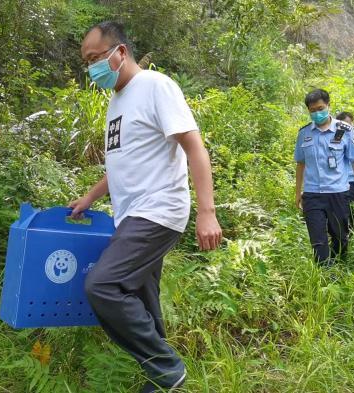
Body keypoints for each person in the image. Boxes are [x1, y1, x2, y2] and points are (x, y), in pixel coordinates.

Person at [69, 21, 222, 392]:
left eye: (95, 58)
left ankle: (168, 369)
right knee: (139, 293)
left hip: (158, 211)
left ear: (119, 52)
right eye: (86, 62)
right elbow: (123, 163)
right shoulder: (117, 101)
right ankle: (163, 380)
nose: (91, 68)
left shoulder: (156, 86)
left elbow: (194, 146)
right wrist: (90, 197)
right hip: (132, 214)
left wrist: (207, 211)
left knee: (102, 285)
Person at [294, 90, 354, 266]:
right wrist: (298, 192)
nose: (317, 113)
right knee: (318, 241)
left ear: (328, 106)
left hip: (338, 193)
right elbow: (300, 164)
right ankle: (325, 278)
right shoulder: (304, 133)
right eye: (312, 110)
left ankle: (341, 270)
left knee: (340, 238)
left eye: (320, 108)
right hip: (312, 194)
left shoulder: (345, 131)